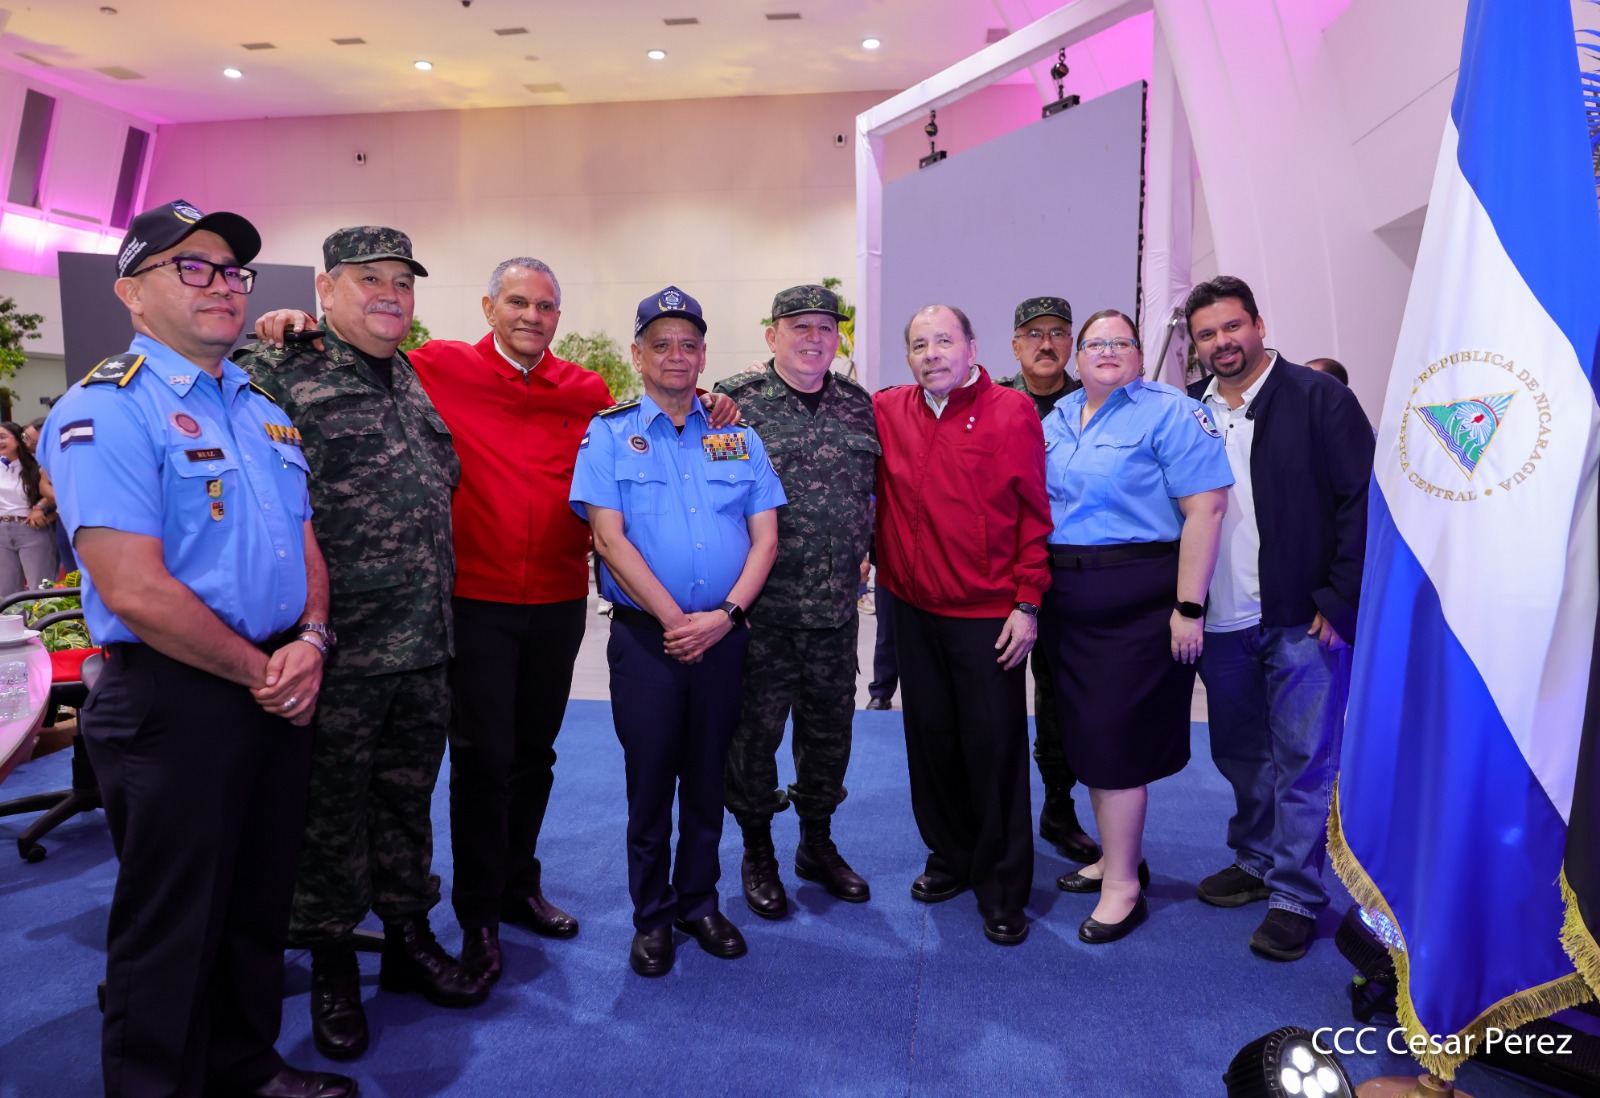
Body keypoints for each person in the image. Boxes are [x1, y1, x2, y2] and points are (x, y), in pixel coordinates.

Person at [40, 199, 351, 1098]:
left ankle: (244, 1063)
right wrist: (264, 673)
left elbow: (303, 542)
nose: (222, 285)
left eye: (232, 270)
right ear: (132, 292)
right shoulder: (106, 411)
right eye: (193, 267)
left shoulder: (258, 408)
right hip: (175, 696)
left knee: (257, 898)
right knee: (172, 924)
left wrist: (312, 638)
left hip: (278, 680)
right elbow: (133, 589)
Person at [236, 226, 487, 1063]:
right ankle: (333, 962)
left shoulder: (411, 378)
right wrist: (272, 327)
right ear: (324, 288)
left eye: (402, 282)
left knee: (406, 801)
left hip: (423, 641)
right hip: (334, 649)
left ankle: (409, 937)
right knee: (329, 815)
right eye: (369, 278)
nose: (390, 293)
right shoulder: (277, 370)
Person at [570, 286, 784, 977]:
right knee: (651, 779)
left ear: (703, 356)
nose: (676, 355)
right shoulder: (608, 435)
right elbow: (609, 539)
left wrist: (726, 618)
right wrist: (675, 622)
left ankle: (698, 901)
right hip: (648, 641)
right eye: (660, 344)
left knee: (708, 775)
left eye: (688, 344)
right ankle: (653, 915)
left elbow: (766, 539)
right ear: (637, 355)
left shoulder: (738, 436)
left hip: (725, 636)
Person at [1185, 276, 1374, 961]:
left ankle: (1295, 894)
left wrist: (1339, 599)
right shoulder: (1189, 409)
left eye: (1232, 326)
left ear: (1259, 325)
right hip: (1221, 619)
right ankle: (1257, 858)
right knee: (1239, 753)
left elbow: (1362, 502)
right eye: (1207, 334)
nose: (1222, 342)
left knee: (1304, 759)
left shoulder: (1320, 398)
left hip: (1301, 617)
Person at [1040, 308, 1231, 945]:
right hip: (1068, 600)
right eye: (1095, 343)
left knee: (1115, 742)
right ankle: (1115, 856)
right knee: (1086, 738)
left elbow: (1207, 509)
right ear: (1077, 355)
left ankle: (1124, 885)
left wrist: (1189, 607)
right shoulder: (1058, 417)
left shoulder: (1172, 412)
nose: (1107, 351)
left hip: (1138, 600)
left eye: (1120, 342)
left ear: (1139, 354)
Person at [873, 304, 1051, 946]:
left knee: (994, 749)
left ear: (972, 347)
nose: (932, 354)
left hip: (987, 615)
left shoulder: (1011, 411)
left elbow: (1034, 513)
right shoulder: (888, 409)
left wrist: (1027, 603)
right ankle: (950, 856)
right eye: (920, 344)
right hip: (911, 608)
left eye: (944, 340)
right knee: (931, 742)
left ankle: (1002, 886)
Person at [714, 284, 878, 919]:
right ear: (772, 335)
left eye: (825, 327)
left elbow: (872, 493)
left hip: (835, 612)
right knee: (753, 740)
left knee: (829, 737)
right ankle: (758, 850)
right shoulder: (735, 404)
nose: (814, 338)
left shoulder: (859, 406)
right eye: (799, 326)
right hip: (761, 615)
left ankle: (817, 843)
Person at [994, 297, 1098, 866]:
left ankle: (1059, 805)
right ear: (1016, 345)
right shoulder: (993, 402)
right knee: (994, 698)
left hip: (1069, 570)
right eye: (1034, 334)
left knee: (1062, 698)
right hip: (999, 574)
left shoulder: (1093, 402)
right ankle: (994, 810)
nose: (1046, 343)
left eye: (1058, 333)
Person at [0, 420, 58, 591]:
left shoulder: (37, 466)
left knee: (39, 587)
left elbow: (55, 492)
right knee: (6, 590)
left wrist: (39, 508)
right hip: (2, 529)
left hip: (30, 528)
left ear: (18, 439)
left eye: (3, 437)